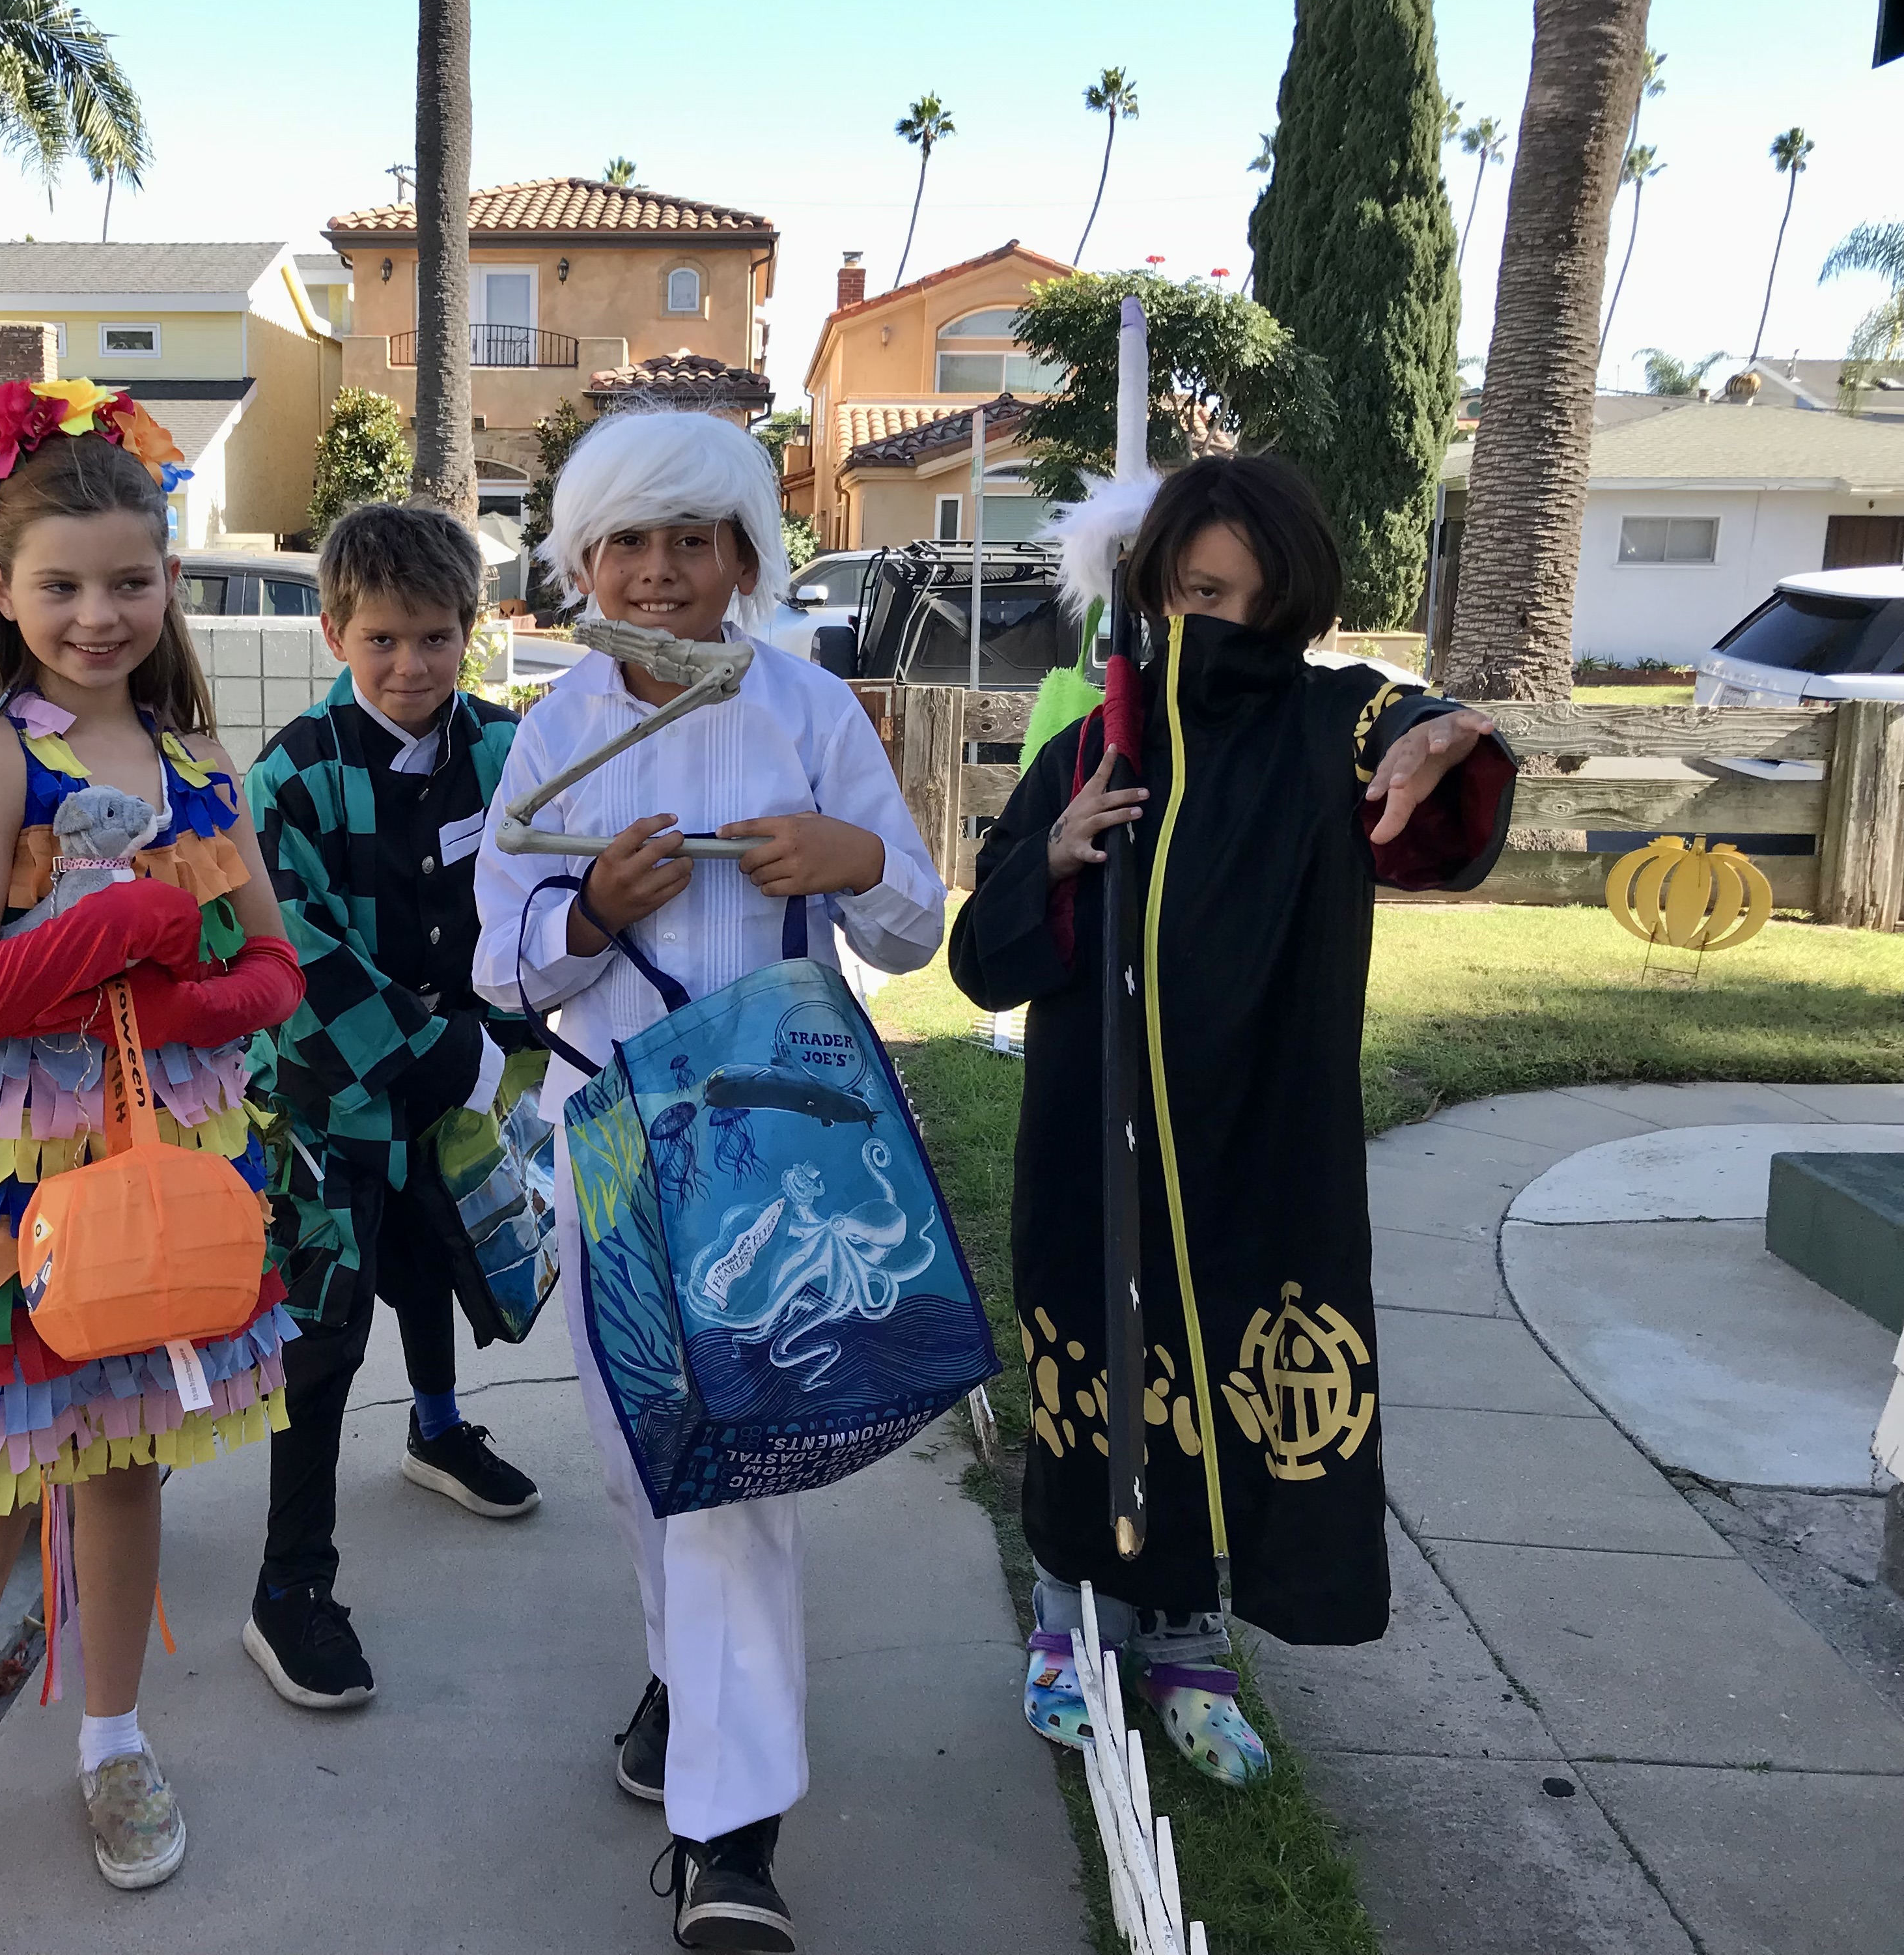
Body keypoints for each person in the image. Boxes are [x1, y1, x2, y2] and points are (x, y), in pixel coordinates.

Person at [948, 454, 1514, 1788]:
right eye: (1199, 592)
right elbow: (981, 956)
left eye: (1254, 605)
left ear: (1298, 612)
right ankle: (1070, 1626)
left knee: (1226, 1389)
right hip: (1092, 1147)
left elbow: (1421, 773)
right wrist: (1058, 853)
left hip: (1258, 1148)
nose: (1223, 628)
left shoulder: (1333, 723)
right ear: (1152, 589)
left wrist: (1448, 736)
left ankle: (1194, 1648)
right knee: (1095, 1395)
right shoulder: (1092, 745)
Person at [473, 410, 944, 1953]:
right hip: (611, 1154)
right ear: (582, 562)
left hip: (777, 1162)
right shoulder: (550, 734)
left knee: (735, 1477)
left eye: (695, 539)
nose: (662, 571)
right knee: (643, 1461)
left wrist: (853, 864)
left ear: (749, 553)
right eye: (629, 542)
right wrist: (590, 911)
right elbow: (507, 962)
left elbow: (918, 919)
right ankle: (688, 1687)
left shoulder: (811, 711)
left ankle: (731, 1840)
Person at [0, 378, 305, 1955]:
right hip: (4, 1196)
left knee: (122, 1468)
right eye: (63, 585)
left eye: (130, 580)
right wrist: (115, 929)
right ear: (0, 589)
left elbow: (274, 973)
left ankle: (112, 1741)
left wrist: (171, 968)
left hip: (157, 1177)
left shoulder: (198, 758)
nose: (99, 613)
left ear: (170, 579)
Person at [240, 501, 542, 1711]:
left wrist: (503, 1040)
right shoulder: (293, 772)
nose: (410, 667)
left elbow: (538, 894)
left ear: (472, 631)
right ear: (333, 635)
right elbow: (288, 948)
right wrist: (436, 1054)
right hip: (328, 1101)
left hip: (466, 1080)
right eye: (382, 642)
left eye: (434, 638)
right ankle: (289, 1586)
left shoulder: (510, 750)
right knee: (318, 1337)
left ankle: (436, 1427)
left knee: (437, 1264)